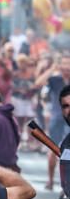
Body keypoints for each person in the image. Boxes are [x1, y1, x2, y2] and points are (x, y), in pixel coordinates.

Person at [37, 55, 70, 190]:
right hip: (57, 119)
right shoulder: (55, 80)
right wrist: (51, 68)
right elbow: (38, 83)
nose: (66, 68)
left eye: (68, 65)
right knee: (53, 150)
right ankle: (50, 180)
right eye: (64, 65)